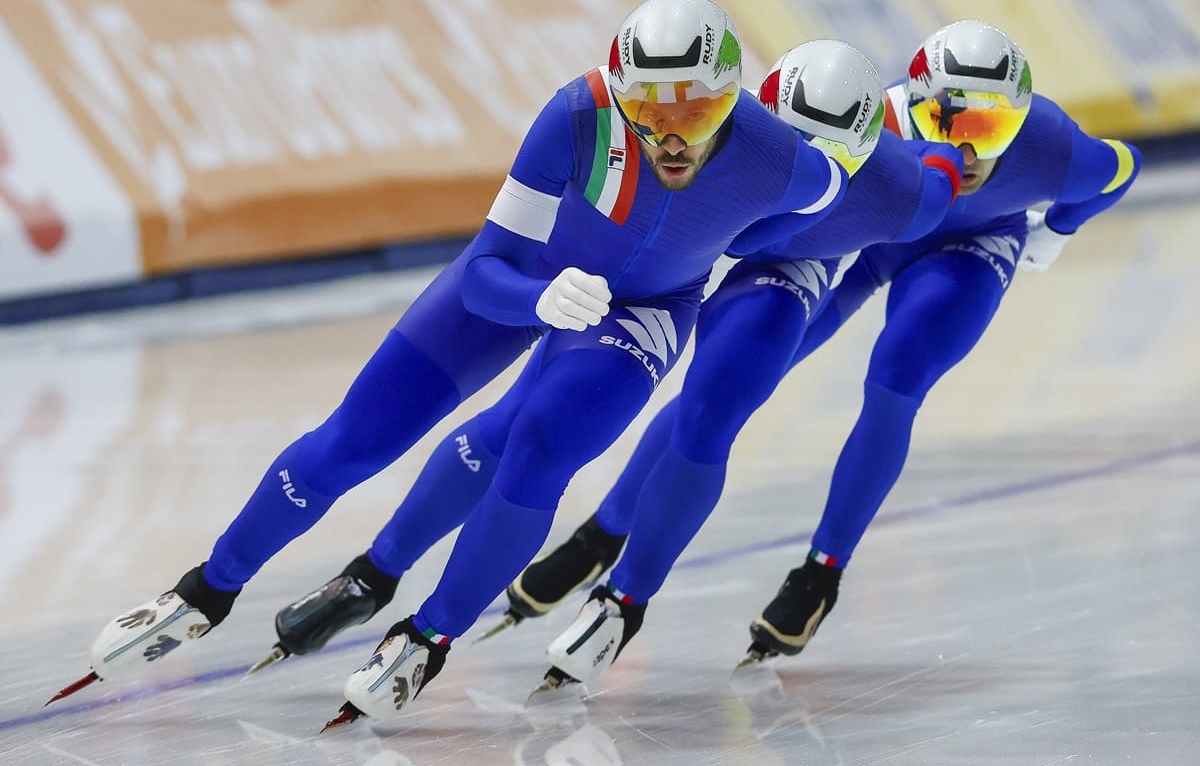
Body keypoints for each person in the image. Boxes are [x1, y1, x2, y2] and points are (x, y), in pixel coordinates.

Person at [48, 0, 851, 723]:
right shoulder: (577, 117)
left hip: (642, 314)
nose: (671, 132)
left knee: (538, 447)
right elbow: (484, 270)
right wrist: (538, 300)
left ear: (734, 96)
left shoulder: (782, 156)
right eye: (648, 106)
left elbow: (826, 204)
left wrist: (724, 252)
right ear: (618, 91)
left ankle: (427, 636)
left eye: (697, 108)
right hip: (525, 281)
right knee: (355, 440)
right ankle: (205, 590)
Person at [249, 40, 968, 692]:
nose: (797, 170)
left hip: (788, 268)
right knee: (517, 424)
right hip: (667, 269)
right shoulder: (712, 132)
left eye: (830, 159)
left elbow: (955, 193)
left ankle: (627, 594)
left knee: (714, 409)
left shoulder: (895, 193)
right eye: (789, 143)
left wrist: (1031, 210)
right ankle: (380, 571)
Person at [518, 19, 1142, 678]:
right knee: (724, 386)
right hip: (855, 242)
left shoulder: (1052, 146)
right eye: (947, 120)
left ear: (1021, 122)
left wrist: (1058, 228)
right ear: (913, 105)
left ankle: (821, 573)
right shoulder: (876, 142)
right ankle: (608, 528)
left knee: (898, 375)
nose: (966, 147)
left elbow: (1117, 169)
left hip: (972, 244)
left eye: (989, 129)